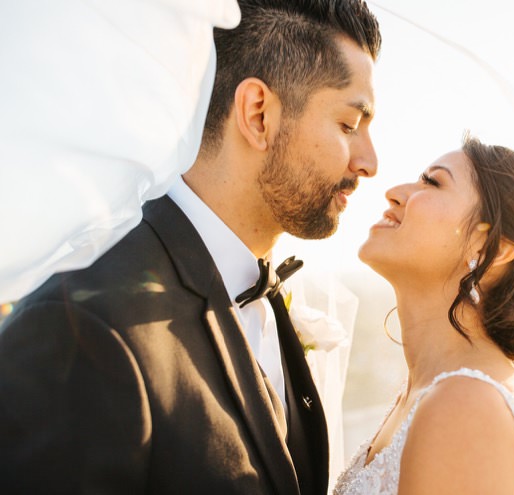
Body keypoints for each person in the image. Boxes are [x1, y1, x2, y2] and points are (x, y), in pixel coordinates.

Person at [0, 0, 381, 493]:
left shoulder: (266, 294)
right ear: (258, 114)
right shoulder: (84, 326)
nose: (370, 162)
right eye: (349, 126)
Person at [334, 135, 514, 495]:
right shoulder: (429, 391)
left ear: (492, 248)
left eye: (432, 182)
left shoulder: (467, 405)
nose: (394, 192)